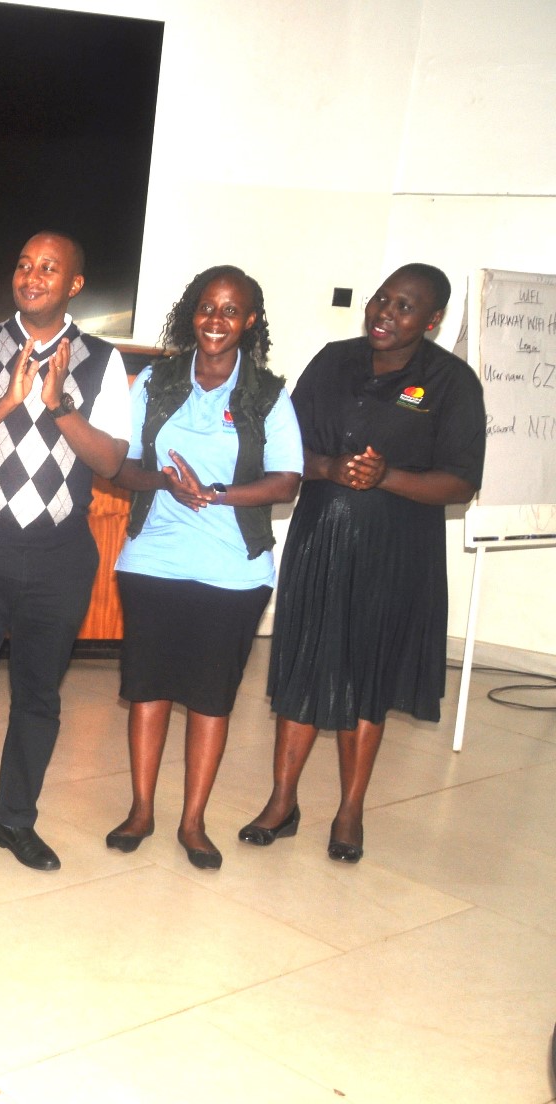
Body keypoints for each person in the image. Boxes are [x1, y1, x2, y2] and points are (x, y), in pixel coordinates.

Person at [240, 264, 485, 863]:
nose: (385, 312)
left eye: (405, 307)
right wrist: (327, 469)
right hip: (321, 537)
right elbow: (288, 441)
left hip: (395, 552)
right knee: (302, 664)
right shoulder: (333, 359)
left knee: (367, 675)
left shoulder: (451, 382)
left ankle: (350, 810)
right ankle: (282, 801)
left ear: (431, 321)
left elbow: (461, 481)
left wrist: (387, 477)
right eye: (382, 299)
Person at [0, 231, 131, 872]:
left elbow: (113, 458)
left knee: (39, 697)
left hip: (60, 552)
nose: (32, 276)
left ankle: (14, 821)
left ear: (74, 285)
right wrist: (9, 400)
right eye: (24, 264)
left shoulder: (101, 359)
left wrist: (57, 405)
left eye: (48, 268)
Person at [105, 266, 302, 869]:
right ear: (192, 313)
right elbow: (120, 466)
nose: (216, 321)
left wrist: (213, 494)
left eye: (230, 311)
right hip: (153, 559)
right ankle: (142, 810)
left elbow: (288, 480)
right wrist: (164, 481)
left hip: (232, 571)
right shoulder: (156, 382)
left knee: (211, 699)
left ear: (249, 322)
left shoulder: (267, 394)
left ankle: (193, 822)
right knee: (149, 690)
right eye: (206, 308)